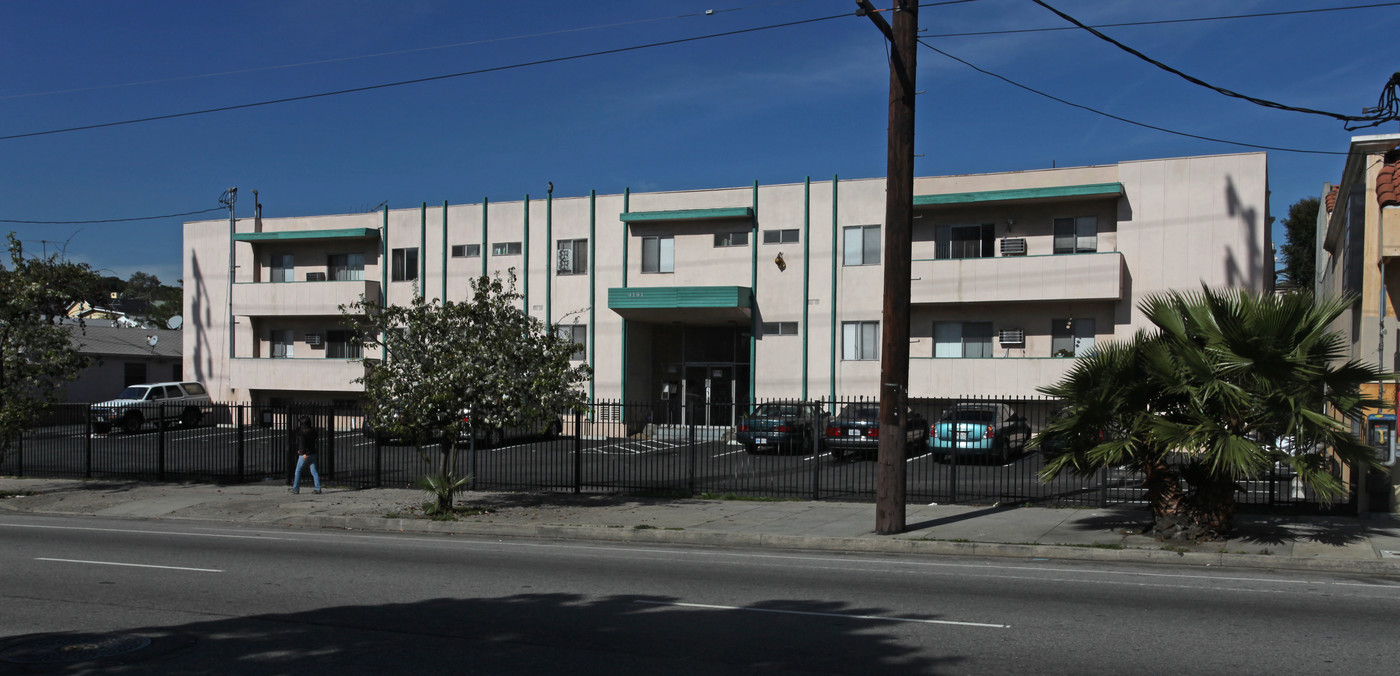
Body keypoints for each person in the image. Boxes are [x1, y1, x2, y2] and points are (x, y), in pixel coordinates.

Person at [290, 416, 322, 494]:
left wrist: (303, 452)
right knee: (314, 471)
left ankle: (296, 488)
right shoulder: (313, 431)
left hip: (305, 454)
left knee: (298, 470)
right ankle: (318, 488)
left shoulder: (302, 432)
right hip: (313, 453)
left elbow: (303, 443)